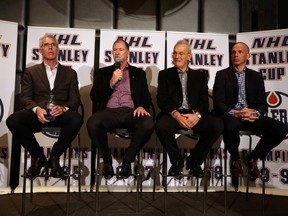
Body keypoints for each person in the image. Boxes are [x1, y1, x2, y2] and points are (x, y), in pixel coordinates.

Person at [6, 33, 83, 178]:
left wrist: (63, 108)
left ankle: (54, 157)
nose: (50, 48)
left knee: (76, 119)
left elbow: (75, 100)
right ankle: (38, 156)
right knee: (13, 120)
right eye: (46, 45)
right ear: (40, 50)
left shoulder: (70, 73)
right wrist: (37, 109)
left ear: (58, 49)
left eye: (53, 45)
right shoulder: (31, 72)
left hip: (60, 114)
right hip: (39, 113)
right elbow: (25, 97)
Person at [213, 42, 288, 180]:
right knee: (231, 124)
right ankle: (235, 160)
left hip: (250, 116)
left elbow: (263, 104)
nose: (236, 54)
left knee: (281, 129)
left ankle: (252, 157)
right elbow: (218, 103)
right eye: (233, 52)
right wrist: (236, 113)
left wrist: (255, 113)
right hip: (232, 116)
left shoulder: (256, 76)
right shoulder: (222, 75)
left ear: (247, 55)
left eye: (240, 52)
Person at [87, 39, 154, 179]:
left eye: (121, 49)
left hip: (130, 112)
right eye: (114, 49)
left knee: (147, 123)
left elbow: (146, 97)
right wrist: (111, 82)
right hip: (109, 112)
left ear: (128, 53)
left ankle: (127, 160)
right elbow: (94, 96)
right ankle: (107, 161)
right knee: (93, 123)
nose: (117, 52)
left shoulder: (138, 73)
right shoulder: (103, 73)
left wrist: (142, 105)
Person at [156, 40, 223, 178]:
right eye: (175, 53)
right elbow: (162, 101)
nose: (177, 56)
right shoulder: (164, 75)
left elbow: (204, 103)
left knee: (217, 125)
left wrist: (196, 115)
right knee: (161, 125)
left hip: (194, 115)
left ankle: (194, 161)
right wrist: (176, 115)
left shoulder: (199, 77)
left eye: (181, 53)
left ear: (189, 56)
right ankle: (177, 162)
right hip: (174, 115)